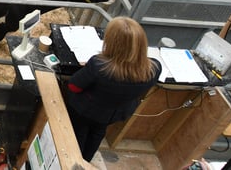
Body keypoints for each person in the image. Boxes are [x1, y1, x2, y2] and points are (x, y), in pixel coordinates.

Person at [67, 17, 161, 162]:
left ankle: (74, 161)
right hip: (115, 112)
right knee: (98, 132)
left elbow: (74, 86)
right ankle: (86, 160)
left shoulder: (99, 65)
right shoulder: (154, 68)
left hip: (86, 110)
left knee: (79, 132)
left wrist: (87, 70)